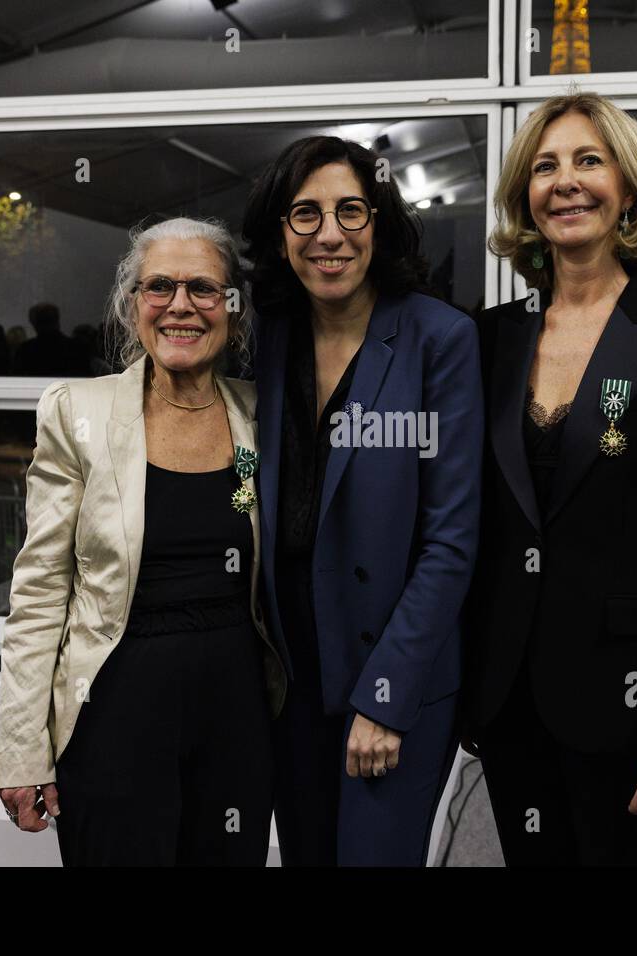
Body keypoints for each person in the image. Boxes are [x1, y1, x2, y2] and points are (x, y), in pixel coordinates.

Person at [463, 91, 637, 866]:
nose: (567, 182)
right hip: (509, 696)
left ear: (626, 187)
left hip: (633, 702)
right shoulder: (490, 340)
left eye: (590, 160)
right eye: (545, 166)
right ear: (526, 194)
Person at [0, 217, 286, 866]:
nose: (181, 305)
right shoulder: (78, 412)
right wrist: (21, 747)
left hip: (237, 716)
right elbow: (40, 593)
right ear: (134, 308)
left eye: (204, 289)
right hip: (115, 711)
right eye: (160, 286)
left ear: (232, 313)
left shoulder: (263, 417)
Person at [241, 136, 483, 866]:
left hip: (390, 677)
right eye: (305, 214)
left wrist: (385, 694)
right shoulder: (266, 341)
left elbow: (451, 541)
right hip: (291, 677)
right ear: (281, 236)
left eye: (351, 210)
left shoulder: (439, 339)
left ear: (379, 223)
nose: (330, 234)